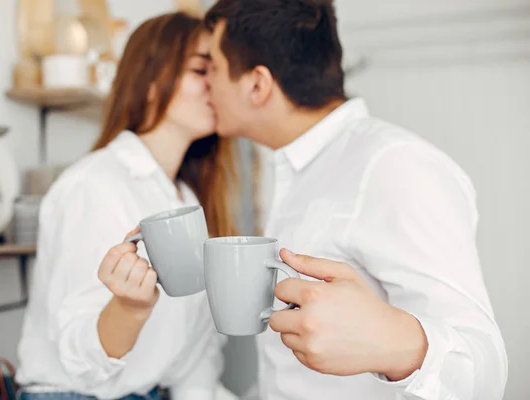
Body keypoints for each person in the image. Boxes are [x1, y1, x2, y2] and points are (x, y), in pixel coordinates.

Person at [203, 0, 508, 399]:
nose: (205, 83)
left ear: (257, 85)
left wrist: (392, 343)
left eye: (211, 66)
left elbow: (484, 371)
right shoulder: (291, 170)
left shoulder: (392, 165)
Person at [16, 12, 238, 400]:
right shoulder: (95, 185)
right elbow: (80, 361)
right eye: (201, 69)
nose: (216, 85)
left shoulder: (186, 198)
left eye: (218, 70)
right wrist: (129, 309)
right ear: (151, 82)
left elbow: (197, 350)